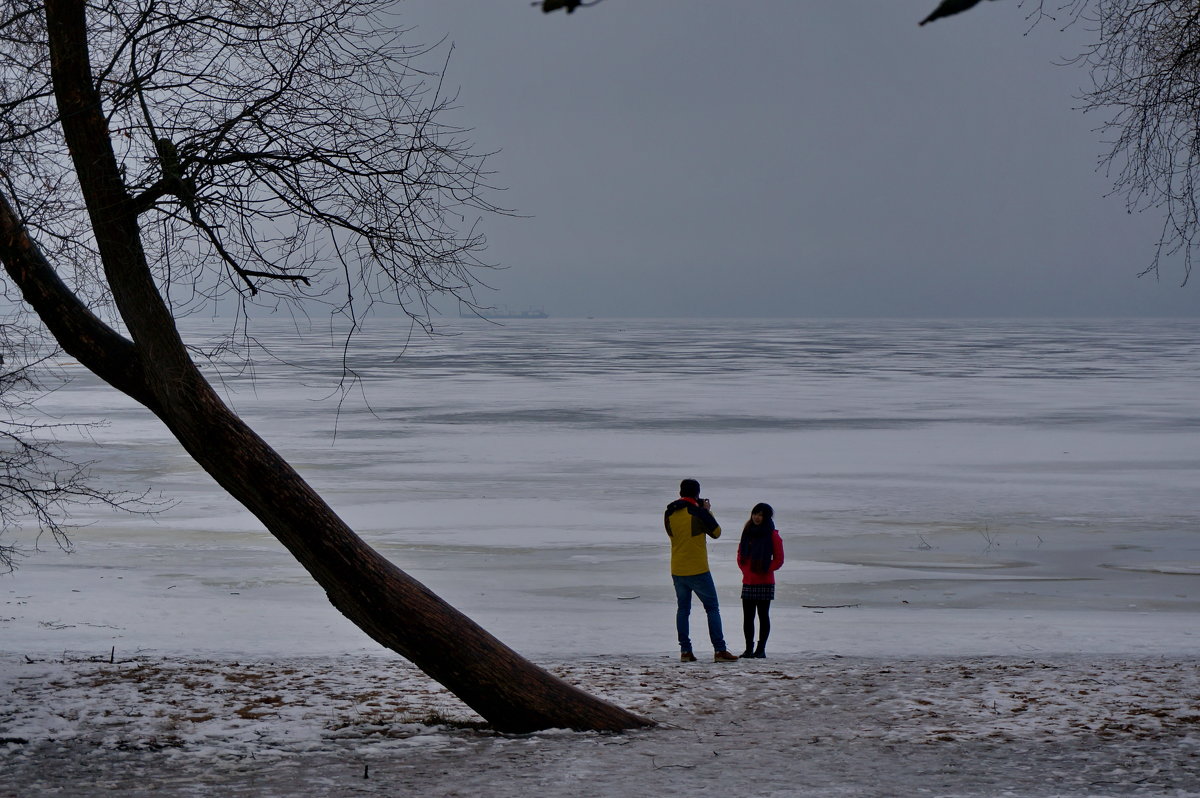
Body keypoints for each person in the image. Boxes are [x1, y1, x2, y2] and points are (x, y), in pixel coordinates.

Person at [664, 478, 739, 662]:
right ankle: (720, 650)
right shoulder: (698, 512)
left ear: (680, 492)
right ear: (697, 494)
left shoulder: (670, 512)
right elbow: (717, 532)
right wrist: (707, 511)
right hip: (697, 568)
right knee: (712, 608)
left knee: (683, 609)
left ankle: (685, 651)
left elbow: (670, 533)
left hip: (677, 568)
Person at [737, 502, 784, 659]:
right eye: (755, 513)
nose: (757, 517)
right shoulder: (747, 531)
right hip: (749, 580)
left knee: (763, 615)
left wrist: (765, 567)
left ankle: (761, 649)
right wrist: (746, 570)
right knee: (748, 617)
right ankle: (748, 649)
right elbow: (740, 554)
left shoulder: (773, 535)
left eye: (760, 514)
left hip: (765, 581)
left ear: (766, 517)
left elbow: (779, 559)